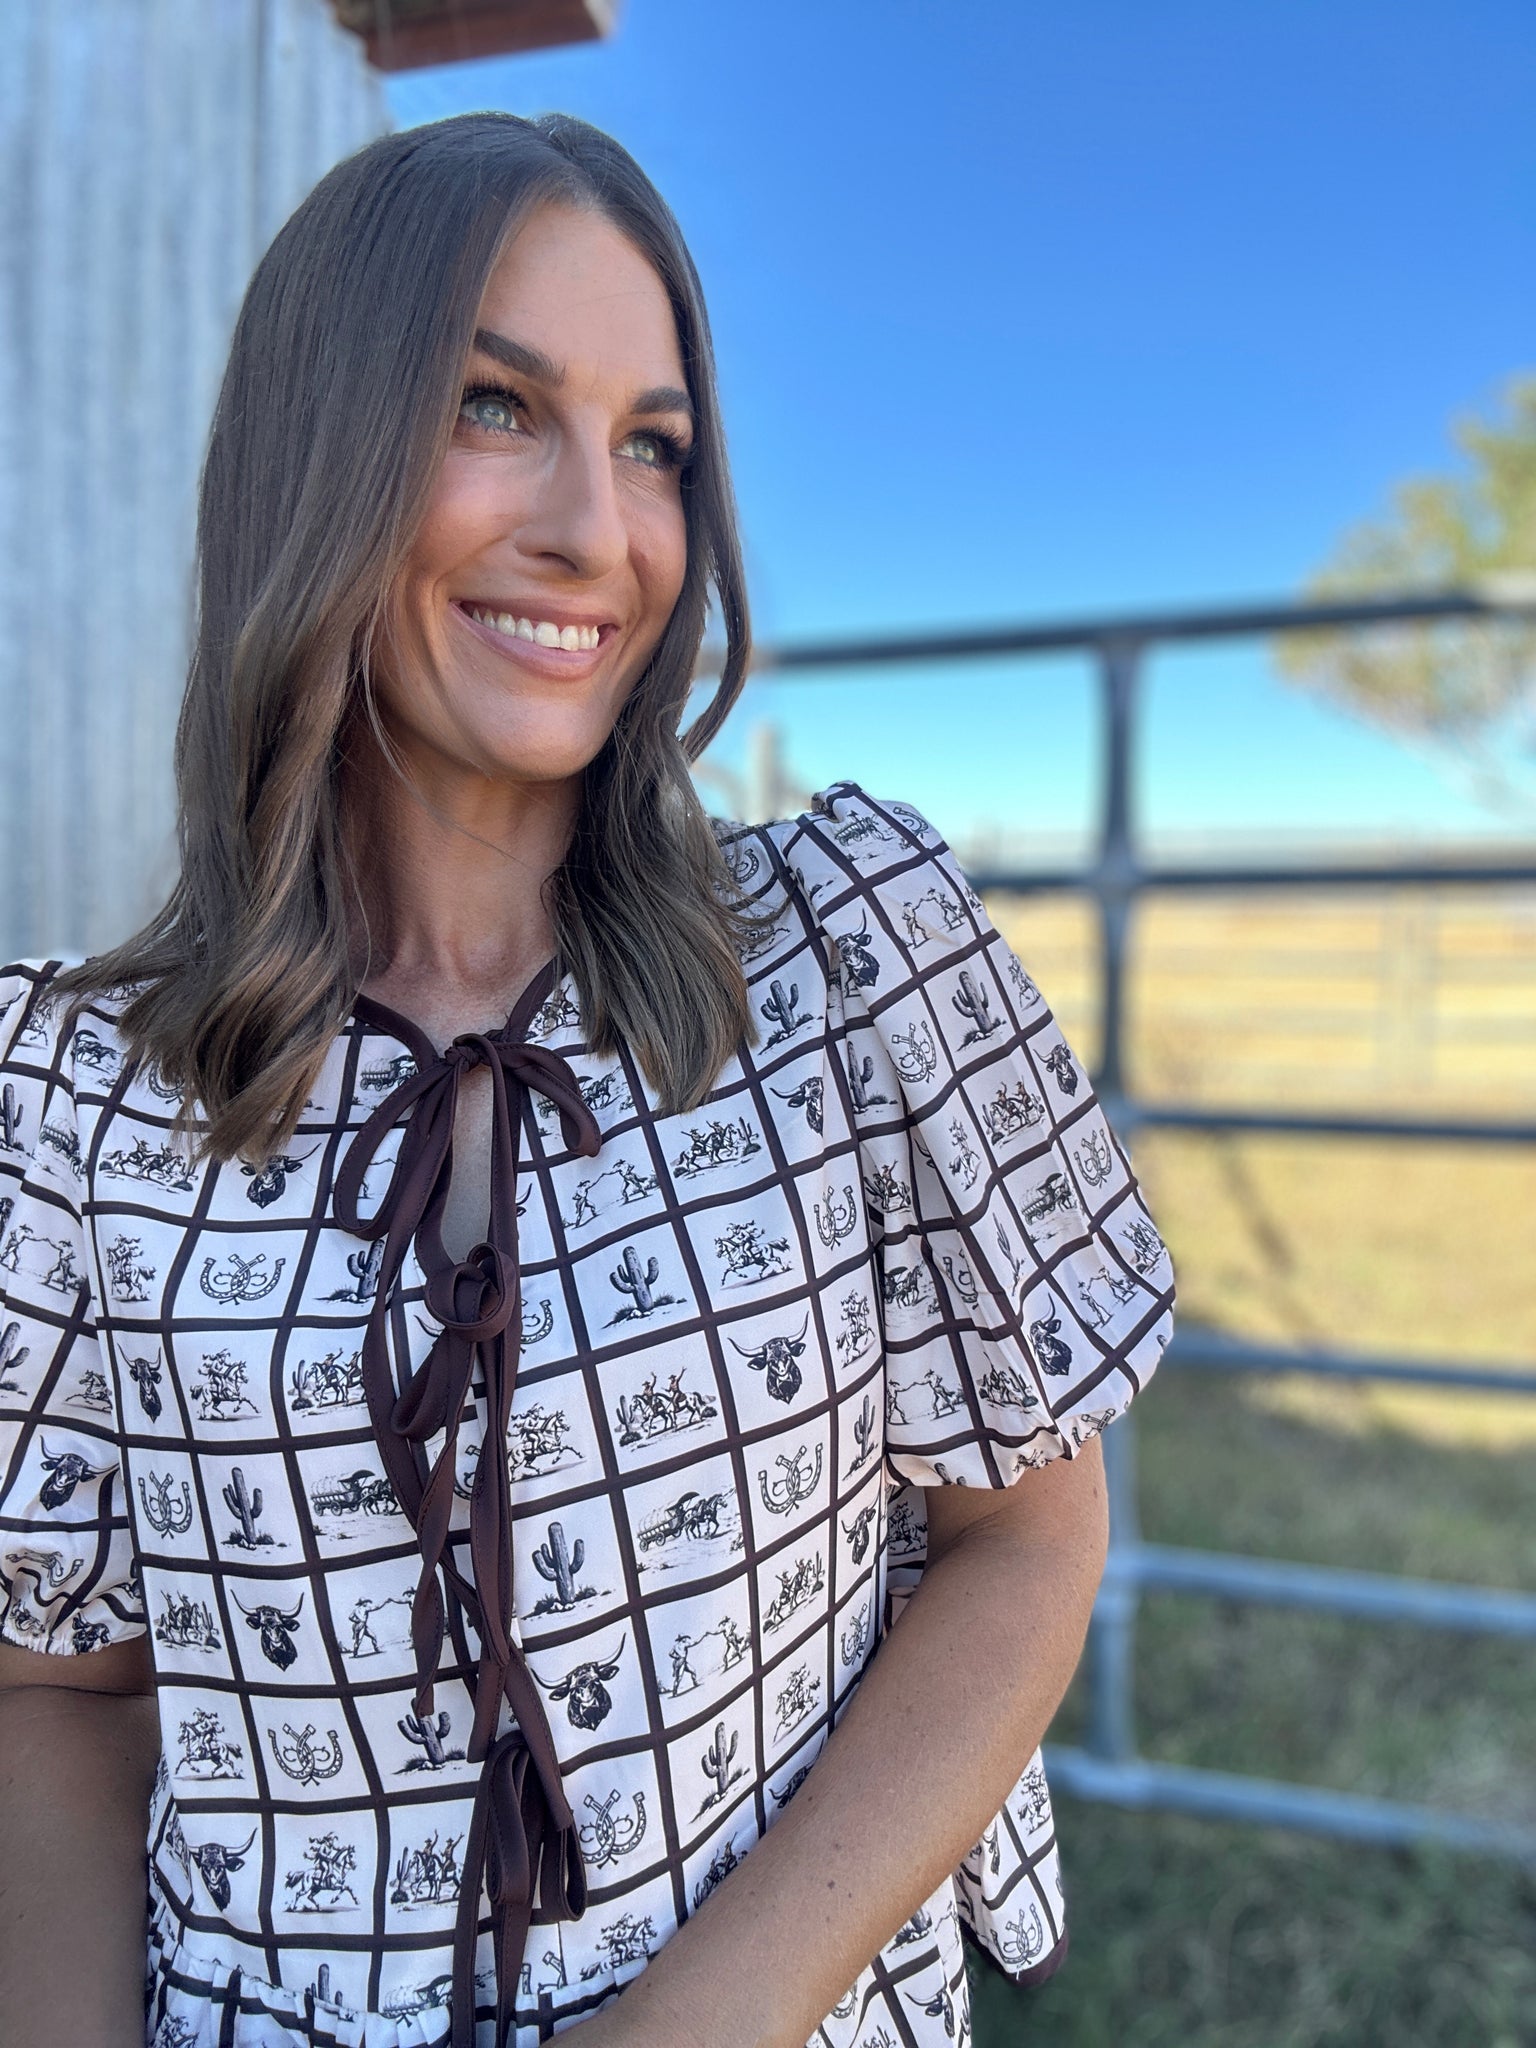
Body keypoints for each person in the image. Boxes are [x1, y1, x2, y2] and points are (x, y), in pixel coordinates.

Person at [0, 112, 1174, 2048]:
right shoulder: (71, 1097)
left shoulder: (847, 958)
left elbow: (1027, 1538)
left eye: (654, 446)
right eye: (494, 405)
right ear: (312, 451)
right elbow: (58, 1686)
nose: (597, 531)